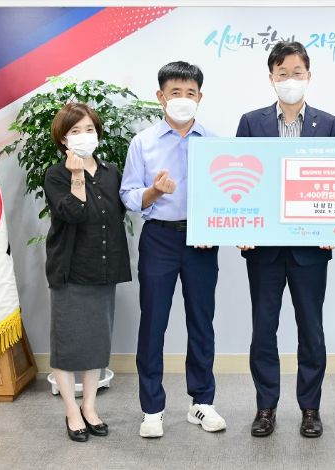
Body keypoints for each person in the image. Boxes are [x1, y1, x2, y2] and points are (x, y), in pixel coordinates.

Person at [235, 41, 335, 438]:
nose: (290, 80)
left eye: (297, 72)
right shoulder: (251, 122)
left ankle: (310, 408)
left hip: (310, 250)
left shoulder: (328, 124)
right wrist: (240, 226)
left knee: (311, 330)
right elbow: (240, 180)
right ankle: (266, 407)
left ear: (308, 76)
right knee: (263, 330)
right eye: (283, 73)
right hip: (263, 248)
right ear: (271, 78)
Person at [120, 61, 226, 438]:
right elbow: (129, 195)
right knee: (154, 322)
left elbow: (228, 194)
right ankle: (152, 408)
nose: (183, 99)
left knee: (201, 321)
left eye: (190, 93)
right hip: (160, 239)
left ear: (200, 97)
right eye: (175, 92)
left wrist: (215, 224)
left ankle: (202, 402)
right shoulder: (143, 142)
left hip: (201, 241)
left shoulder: (214, 143)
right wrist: (154, 191)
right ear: (160, 97)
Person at [44, 103, 132, 442]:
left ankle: (90, 407)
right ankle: (71, 411)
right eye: (76, 131)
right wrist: (77, 175)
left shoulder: (111, 172)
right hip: (70, 271)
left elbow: (119, 214)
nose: (84, 136)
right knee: (66, 345)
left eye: (90, 129)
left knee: (97, 343)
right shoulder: (56, 174)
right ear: (63, 139)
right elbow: (74, 213)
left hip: (103, 268)